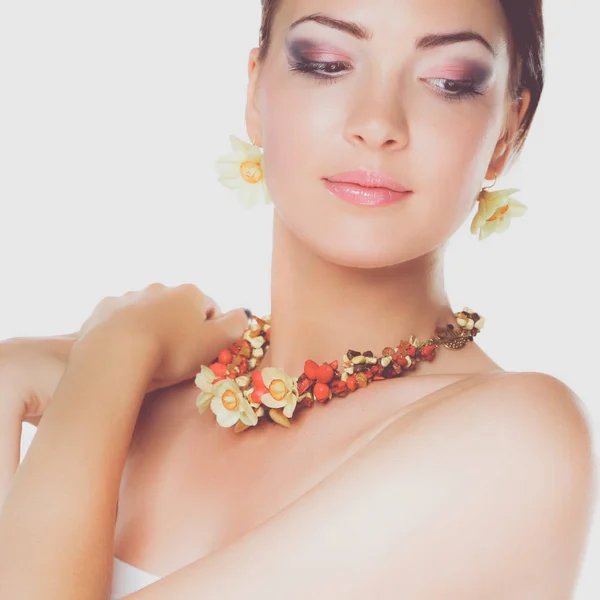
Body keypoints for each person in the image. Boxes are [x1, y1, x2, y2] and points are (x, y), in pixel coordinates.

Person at [0, 0, 595, 598]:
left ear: (509, 131)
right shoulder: (135, 407)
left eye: (447, 82)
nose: (377, 122)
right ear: (256, 91)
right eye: (326, 62)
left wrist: (112, 358)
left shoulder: (515, 442)